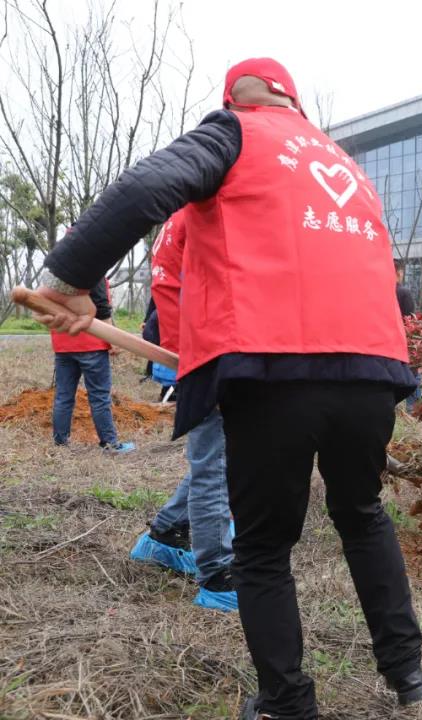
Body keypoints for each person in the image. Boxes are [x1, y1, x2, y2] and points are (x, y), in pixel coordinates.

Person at [34, 58, 422, 717]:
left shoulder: (236, 133)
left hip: (277, 368)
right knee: (362, 514)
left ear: (236, 100)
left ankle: (286, 701)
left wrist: (68, 277)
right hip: (374, 369)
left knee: (264, 546)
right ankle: (408, 674)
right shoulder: (347, 168)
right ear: (295, 104)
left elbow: (144, 190)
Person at [129, 207, 237, 612]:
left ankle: (164, 535)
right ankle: (219, 577)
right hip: (212, 350)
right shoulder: (206, 214)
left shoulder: (182, 216)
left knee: (213, 456)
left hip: (199, 349)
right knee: (215, 463)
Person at [49, 276, 135, 453]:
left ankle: (60, 442)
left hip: (63, 342)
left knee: (63, 396)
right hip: (91, 343)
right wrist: (113, 340)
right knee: (99, 397)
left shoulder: (56, 272)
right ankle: (110, 445)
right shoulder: (92, 270)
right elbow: (102, 307)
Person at [395, 259, 421, 412]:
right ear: (399, 273)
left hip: (384, 349)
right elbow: (410, 323)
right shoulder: (403, 293)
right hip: (404, 345)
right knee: (414, 378)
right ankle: (414, 411)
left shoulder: (379, 291)